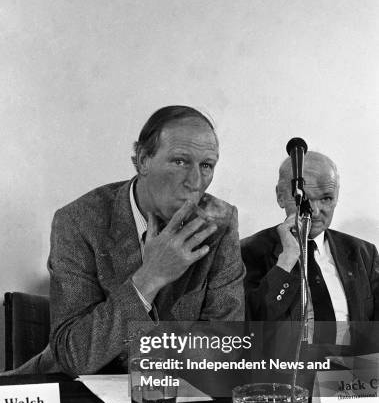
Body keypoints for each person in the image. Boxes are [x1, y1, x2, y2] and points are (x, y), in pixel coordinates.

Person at [5, 105, 244, 376]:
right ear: (142, 160)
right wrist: (149, 278)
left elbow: (226, 348)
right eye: (180, 161)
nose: (195, 181)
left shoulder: (218, 223)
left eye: (206, 165)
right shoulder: (79, 221)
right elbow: (74, 355)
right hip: (81, 395)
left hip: (175, 398)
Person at [241, 152, 379, 344]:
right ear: (281, 197)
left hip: (352, 370)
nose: (314, 211)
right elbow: (249, 329)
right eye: (304, 199)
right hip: (287, 371)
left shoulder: (364, 253)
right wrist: (287, 260)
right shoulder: (248, 252)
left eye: (326, 199)